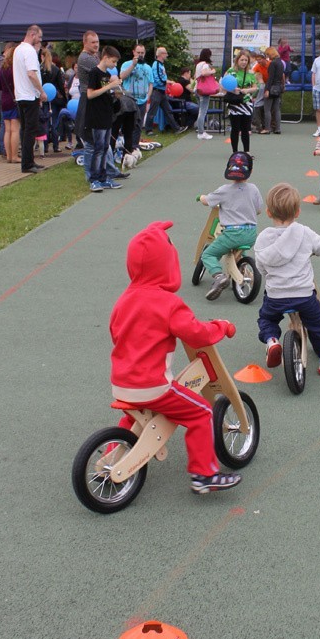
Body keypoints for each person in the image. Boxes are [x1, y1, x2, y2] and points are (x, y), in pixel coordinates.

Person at [109, 220, 241, 494]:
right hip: (152, 386)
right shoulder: (168, 303)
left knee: (134, 415)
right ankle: (204, 475)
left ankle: (112, 453)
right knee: (201, 412)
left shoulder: (123, 300)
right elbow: (195, 334)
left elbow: (115, 332)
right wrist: (220, 327)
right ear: (167, 264)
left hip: (121, 382)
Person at [254, 182, 320, 376]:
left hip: (276, 295)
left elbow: (260, 266)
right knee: (317, 325)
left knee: (266, 318)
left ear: (268, 213)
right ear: (297, 212)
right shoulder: (304, 232)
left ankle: (271, 340)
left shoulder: (264, 238)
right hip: (303, 295)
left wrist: (270, 276)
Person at [198, 151, 263, 300]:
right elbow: (258, 210)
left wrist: (201, 197)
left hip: (232, 234)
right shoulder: (254, 189)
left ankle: (219, 275)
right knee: (239, 249)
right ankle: (242, 269)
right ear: (250, 171)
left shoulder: (224, 190)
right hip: (251, 234)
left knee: (208, 254)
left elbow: (207, 201)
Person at [84, 46, 123, 191]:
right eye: (113, 61)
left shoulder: (106, 74)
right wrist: (110, 86)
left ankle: (103, 177)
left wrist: (115, 94)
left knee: (106, 148)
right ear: (105, 57)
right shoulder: (94, 73)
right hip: (96, 117)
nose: (115, 65)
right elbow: (90, 94)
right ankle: (94, 179)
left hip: (106, 116)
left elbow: (105, 94)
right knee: (98, 148)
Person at [13, 24, 46, 173]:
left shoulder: (18, 50)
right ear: (32, 35)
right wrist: (41, 92)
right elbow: (31, 74)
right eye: (39, 37)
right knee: (30, 131)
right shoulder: (29, 51)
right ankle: (27, 163)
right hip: (29, 95)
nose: (39, 40)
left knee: (26, 129)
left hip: (20, 95)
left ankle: (29, 160)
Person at [143, 46, 186, 135]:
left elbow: (162, 77)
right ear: (161, 54)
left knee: (168, 110)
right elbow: (158, 78)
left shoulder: (161, 65)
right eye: (165, 53)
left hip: (162, 92)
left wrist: (166, 84)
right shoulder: (157, 64)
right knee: (152, 111)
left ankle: (176, 128)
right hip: (157, 91)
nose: (166, 55)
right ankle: (148, 130)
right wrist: (167, 82)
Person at [223, 51, 257, 152]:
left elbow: (255, 88)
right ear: (237, 60)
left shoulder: (251, 73)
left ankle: (247, 151)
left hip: (246, 103)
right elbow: (223, 85)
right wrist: (233, 90)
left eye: (246, 60)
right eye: (242, 60)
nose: (244, 62)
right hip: (234, 103)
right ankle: (235, 152)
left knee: (246, 129)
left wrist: (247, 90)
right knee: (235, 128)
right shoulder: (231, 71)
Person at [121, 43, 153, 149]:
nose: (140, 55)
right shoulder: (126, 64)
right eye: (138, 52)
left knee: (138, 125)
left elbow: (150, 84)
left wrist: (148, 98)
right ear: (133, 52)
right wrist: (133, 65)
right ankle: (126, 145)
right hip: (129, 99)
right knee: (128, 124)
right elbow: (122, 77)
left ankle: (135, 146)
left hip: (142, 100)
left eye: (142, 53)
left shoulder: (148, 67)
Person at [0, 44, 20, 163]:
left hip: (4, 99)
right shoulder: (15, 69)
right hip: (14, 99)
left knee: (7, 130)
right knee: (15, 129)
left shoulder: (2, 69)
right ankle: (15, 156)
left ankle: (9, 155)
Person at [193, 48, 218, 139]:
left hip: (197, 89)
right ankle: (201, 132)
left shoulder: (198, 64)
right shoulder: (205, 65)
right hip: (203, 91)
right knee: (202, 112)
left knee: (201, 110)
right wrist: (212, 71)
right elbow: (204, 73)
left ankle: (201, 130)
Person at [262, 46, 284, 134]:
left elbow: (270, 78)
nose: (267, 56)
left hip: (271, 87)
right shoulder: (281, 63)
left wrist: (267, 89)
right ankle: (278, 128)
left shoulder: (272, 63)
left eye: (267, 54)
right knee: (277, 109)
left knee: (267, 109)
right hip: (278, 88)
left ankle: (267, 128)